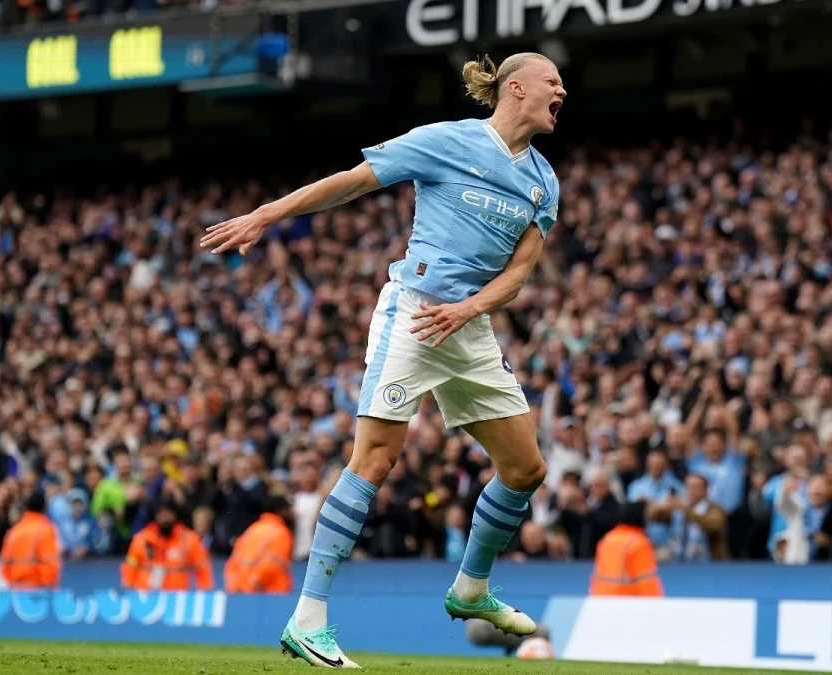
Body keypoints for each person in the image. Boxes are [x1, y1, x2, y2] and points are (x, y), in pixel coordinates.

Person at [200, 51, 566, 667]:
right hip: (416, 313)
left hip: (466, 326)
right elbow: (353, 180)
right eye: (554, 82)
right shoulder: (446, 142)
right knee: (375, 458)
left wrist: (470, 310)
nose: (563, 92)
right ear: (517, 88)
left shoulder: (543, 181)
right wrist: (267, 213)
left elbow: (520, 274)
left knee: (526, 469)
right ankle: (308, 619)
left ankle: (470, 589)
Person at [120, 500, 214, 591]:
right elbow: (130, 566)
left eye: (168, 513)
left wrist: (204, 592)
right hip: (145, 594)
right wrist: (128, 589)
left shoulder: (189, 539)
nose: (164, 517)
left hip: (176, 596)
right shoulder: (142, 539)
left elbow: (202, 568)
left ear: (175, 514)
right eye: (160, 513)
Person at [589, 502, 664, 597]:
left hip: (601, 601)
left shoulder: (606, 539)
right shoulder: (639, 544)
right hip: (627, 604)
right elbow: (647, 583)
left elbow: (596, 577)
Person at [224, 494, 295, 594]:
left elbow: (233, 561)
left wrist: (237, 586)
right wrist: (254, 583)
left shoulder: (250, 530)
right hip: (273, 593)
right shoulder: (281, 533)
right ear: (281, 511)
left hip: (245, 592)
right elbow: (274, 563)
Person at [0, 491, 61, 589]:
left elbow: (5, 564)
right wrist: (49, 585)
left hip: (16, 587)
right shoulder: (46, 530)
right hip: (39, 588)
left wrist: (12, 582)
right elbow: (49, 562)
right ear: (44, 508)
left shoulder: (13, 531)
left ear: (26, 508)